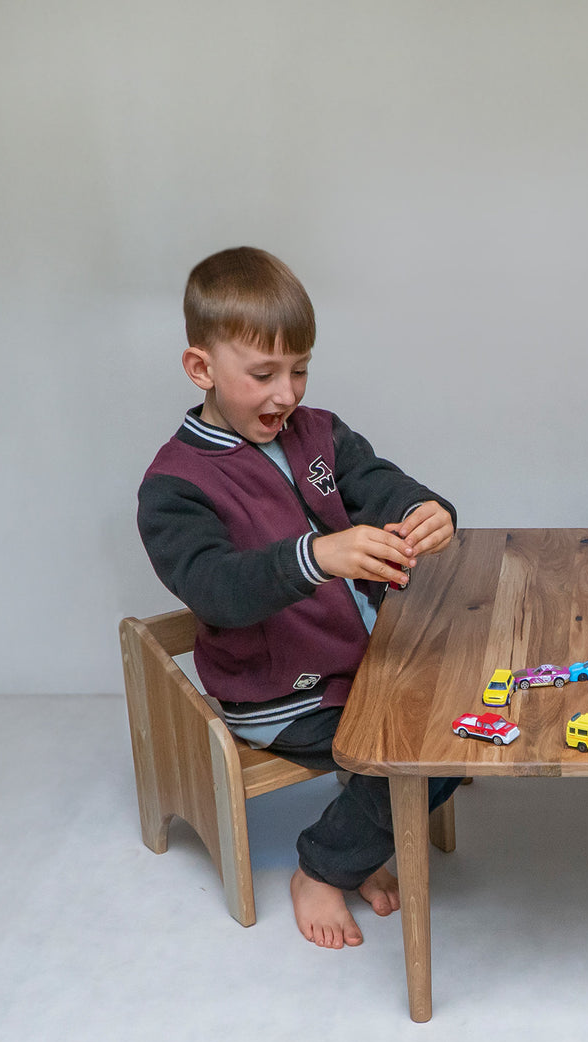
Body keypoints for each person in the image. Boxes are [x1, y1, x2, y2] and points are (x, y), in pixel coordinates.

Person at [138, 246, 461, 950]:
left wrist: (426, 510)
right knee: (433, 750)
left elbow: (380, 484)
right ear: (200, 369)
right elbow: (216, 590)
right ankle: (322, 868)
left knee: (472, 711)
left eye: (300, 370)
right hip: (284, 693)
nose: (286, 394)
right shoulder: (174, 486)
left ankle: (362, 842)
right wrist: (316, 556)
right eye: (263, 375)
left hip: (368, 662)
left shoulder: (320, 432)